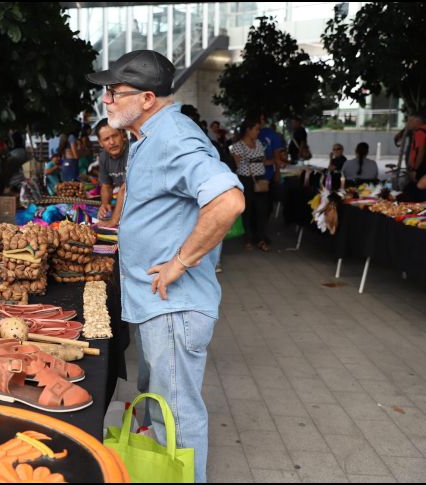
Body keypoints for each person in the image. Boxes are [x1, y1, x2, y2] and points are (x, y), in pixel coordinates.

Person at [86, 50, 244, 483]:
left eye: (115, 92)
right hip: (157, 306)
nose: (107, 101)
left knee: (177, 412)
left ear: (149, 97)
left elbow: (228, 201)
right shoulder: (150, 135)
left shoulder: (174, 136)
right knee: (158, 405)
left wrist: (180, 262)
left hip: (173, 307)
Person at [231, 116, 271, 252]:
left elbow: (263, 161)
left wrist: (276, 162)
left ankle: (260, 238)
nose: (258, 131)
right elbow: (236, 166)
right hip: (245, 180)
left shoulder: (259, 143)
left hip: (260, 180)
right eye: (256, 129)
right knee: (247, 210)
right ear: (248, 130)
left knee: (262, 210)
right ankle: (248, 238)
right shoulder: (238, 146)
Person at [94, 118, 128, 227]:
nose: (112, 142)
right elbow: (106, 186)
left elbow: (125, 188)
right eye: (106, 139)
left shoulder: (133, 150)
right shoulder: (103, 156)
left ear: (122, 134)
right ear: (100, 143)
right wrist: (105, 205)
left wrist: (113, 221)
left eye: (115, 136)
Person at [406, 113, 426, 181]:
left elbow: (420, 151)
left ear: (418, 121)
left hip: (421, 168)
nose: (408, 123)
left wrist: (415, 170)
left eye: (411, 121)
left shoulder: (420, 132)